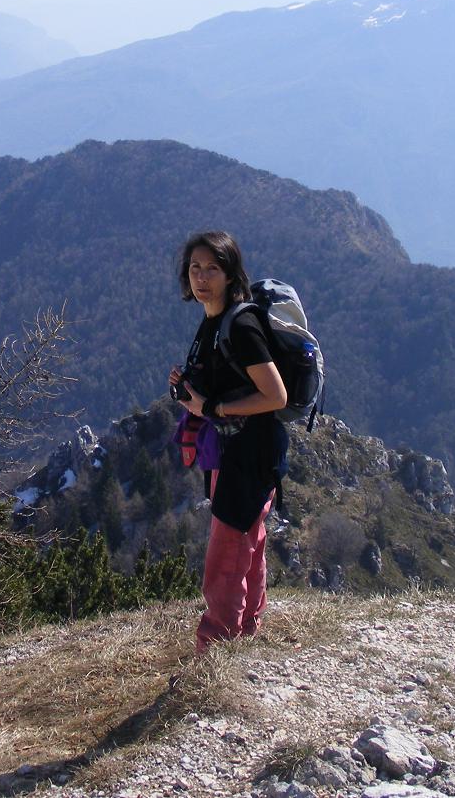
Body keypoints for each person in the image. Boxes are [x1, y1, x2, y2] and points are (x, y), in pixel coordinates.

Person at [169, 231, 289, 654]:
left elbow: (276, 396)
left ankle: (215, 650)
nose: (201, 277)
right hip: (231, 450)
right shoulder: (212, 321)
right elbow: (221, 386)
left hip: (249, 453)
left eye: (212, 269)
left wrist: (213, 408)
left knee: (225, 555)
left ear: (230, 273)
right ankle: (248, 629)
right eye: (195, 268)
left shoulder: (240, 325)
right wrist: (191, 391)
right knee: (248, 543)